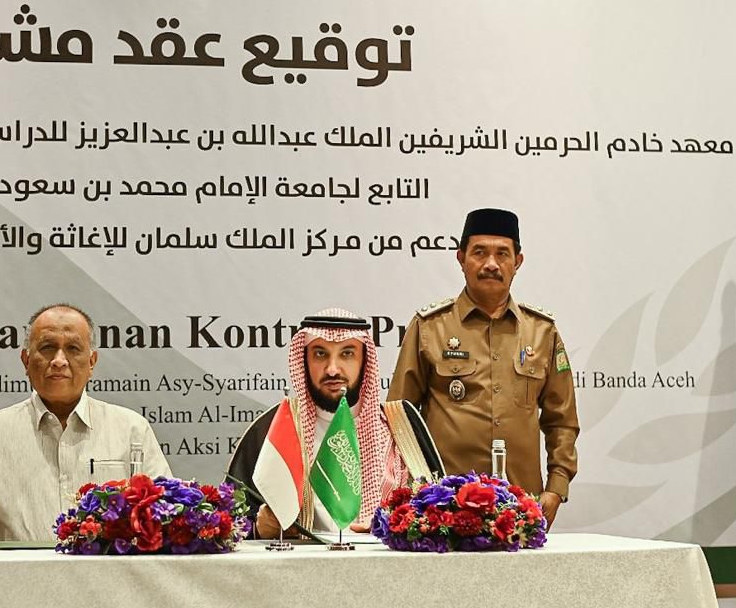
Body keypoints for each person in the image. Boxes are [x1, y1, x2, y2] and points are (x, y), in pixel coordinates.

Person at [388, 207, 579, 527]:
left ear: (518, 262)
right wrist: (412, 493)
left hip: (520, 509)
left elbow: (562, 420)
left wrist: (556, 488)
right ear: (461, 258)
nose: (491, 263)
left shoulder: (542, 332)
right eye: (479, 252)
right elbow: (399, 419)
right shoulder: (429, 327)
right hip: (443, 510)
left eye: (502, 253)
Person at [0, 304, 171, 546]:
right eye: (47, 348)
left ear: (92, 362)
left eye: (73, 348)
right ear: (26, 360)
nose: (59, 361)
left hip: (104, 570)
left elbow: (166, 512)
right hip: (19, 571)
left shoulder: (131, 430)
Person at [227, 309, 442, 537]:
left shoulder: (401, 425)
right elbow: (230, 525)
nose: (332, 369)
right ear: (304, 361)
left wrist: (398, 528)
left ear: (364, 361)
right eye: (320, 354)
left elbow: (441, 519)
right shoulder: (275, 426)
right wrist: (259, 529)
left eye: (347, 354)